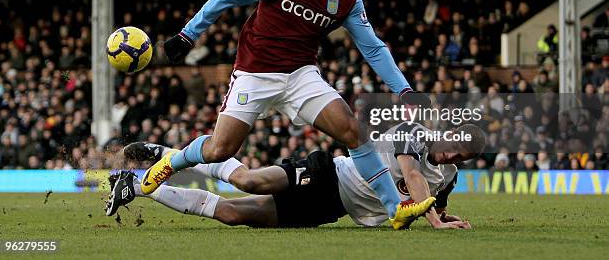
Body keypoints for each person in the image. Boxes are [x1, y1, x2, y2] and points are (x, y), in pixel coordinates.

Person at [145, 0, 432, 229]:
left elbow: (373, 48)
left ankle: (395, 210)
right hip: (254, 73)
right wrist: (188, 35)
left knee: (352, 131)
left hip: (300, 75)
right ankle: (172, 162)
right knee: (220, 149)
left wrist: (405, 91)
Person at [107, 123, 484, 229]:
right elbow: (412, 177)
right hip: (327, 175)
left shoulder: (448, 175)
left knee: (233, 214)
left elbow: (432, 200)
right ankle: (167, 154)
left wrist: (444, 216)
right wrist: (434, 221)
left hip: (331, 208)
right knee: (248, 180)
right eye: (455, 145)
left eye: (461, 157)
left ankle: (137, 187)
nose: (452, 154)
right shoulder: (414, 132)